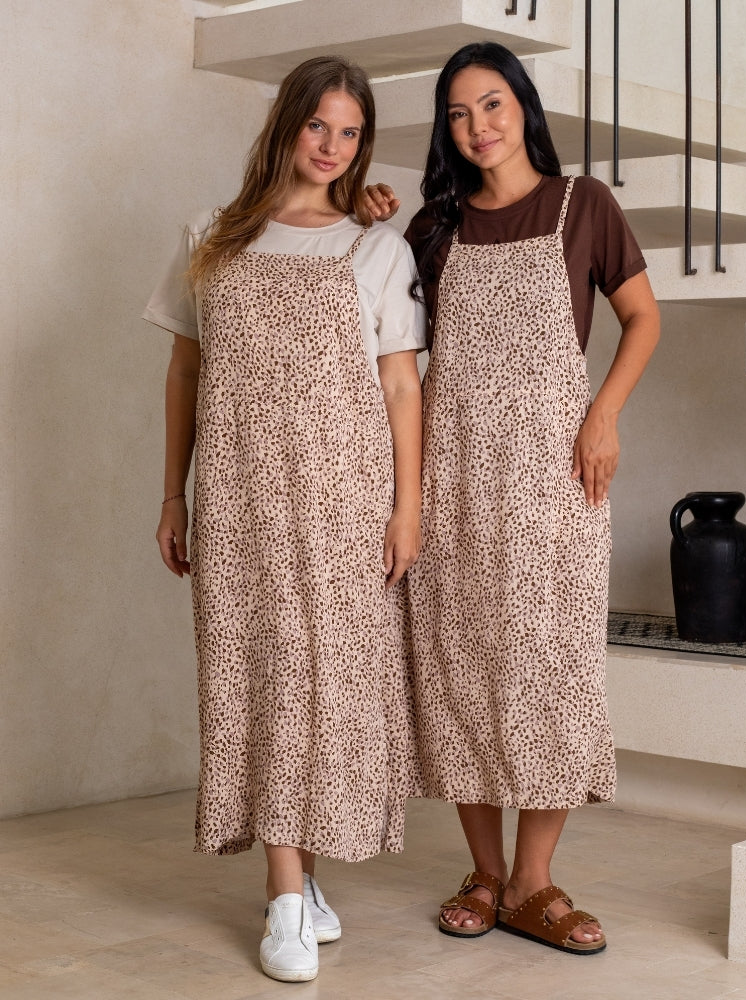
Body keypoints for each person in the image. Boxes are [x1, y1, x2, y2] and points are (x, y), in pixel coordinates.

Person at [367, 41, 659, 955]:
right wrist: (365, 214)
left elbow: (645, 316)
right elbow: (387, 344)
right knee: (460, 669)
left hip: (554, 479)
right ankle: (485, 874)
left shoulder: (585, 206)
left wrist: (602, 416)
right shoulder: (433, 228)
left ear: (522, 107)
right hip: (452, 482)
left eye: (490, 105)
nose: (476, 126)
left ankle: (535, 883)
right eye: (457, 114)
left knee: (552, 670)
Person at [144, 56, 425, 983]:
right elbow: (187, 368)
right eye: (319, 127)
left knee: (323, 686)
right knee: (252, 676)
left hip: (343, 503)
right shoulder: (210, 236)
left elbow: (398, 384)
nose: (332, 147)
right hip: (235, 497)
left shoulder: (379, 248)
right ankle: (285, 891)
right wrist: (173, 491)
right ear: (286, 125)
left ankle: (296, 881)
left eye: (349, 133)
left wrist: (407, 504)